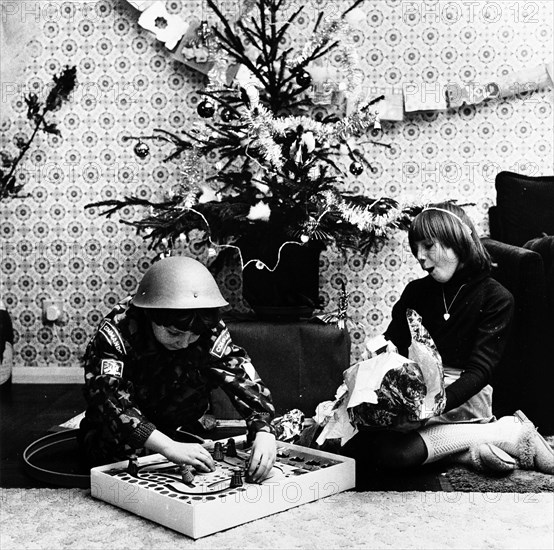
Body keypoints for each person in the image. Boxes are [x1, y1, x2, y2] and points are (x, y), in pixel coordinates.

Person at [341, 203, 554, 478]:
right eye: (416, 247)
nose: (420, 257)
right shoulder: (416, 291)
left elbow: (479, 372)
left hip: (464, 398)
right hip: (417, 396)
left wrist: (429, 410)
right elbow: (391, 341)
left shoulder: (496, 297)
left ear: (458, 241)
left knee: (391, 455)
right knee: (349, 447)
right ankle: (475, 447)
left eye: (428, 246)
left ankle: (507, 431)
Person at [78, 256, 277, 482]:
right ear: (151, 315)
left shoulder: (205, 325)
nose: (183, 343)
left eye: (194, 335)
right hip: (119, 434)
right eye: (174, 333)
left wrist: (263, 429)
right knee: (116, 465)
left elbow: (241, 375)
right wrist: (169, 447)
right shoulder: (115, 333)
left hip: (174, 423)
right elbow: (110, 401)